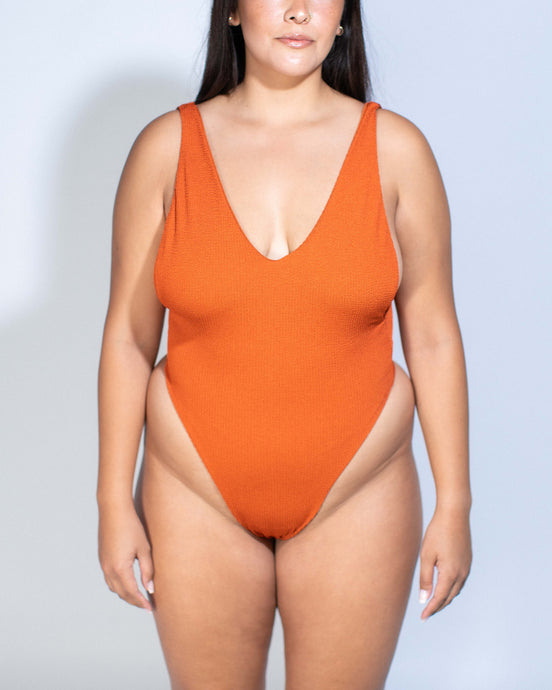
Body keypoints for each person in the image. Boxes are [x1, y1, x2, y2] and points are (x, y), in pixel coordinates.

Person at [96, 0, 473, 686]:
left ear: (344, 16)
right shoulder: (166, 150)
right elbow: (127, 335)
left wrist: (455, 504)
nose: (299, 11)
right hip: (194, 491)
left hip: (358, 491)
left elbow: (434, 336)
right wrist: (112, 503)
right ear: (233, 12)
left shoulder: (397, 152)